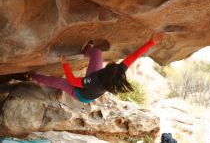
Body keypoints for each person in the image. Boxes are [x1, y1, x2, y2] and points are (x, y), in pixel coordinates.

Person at [27, 31, 165, 103]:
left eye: (109, 65)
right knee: (97, 52)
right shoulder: (118, 72)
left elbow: (73, 82)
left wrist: (65, 65)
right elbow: (134, 56)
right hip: (95, 81)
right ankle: (85, 51)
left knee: (58, 82)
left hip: (81, 94)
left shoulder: (94, 81)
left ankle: (33, 76)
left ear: (106, 72)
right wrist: (152, 41)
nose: (111, 63)